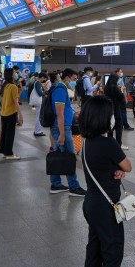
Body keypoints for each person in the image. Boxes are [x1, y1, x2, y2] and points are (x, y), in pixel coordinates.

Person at [80, 96, 132, 267]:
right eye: (111, 114)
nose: (113, 117)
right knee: (113, 251)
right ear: (103, 118)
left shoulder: (86, 143)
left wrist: (117, 170)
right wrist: (121, 169)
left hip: (91, 203)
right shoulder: (109, 143)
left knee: (94, 249)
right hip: (106, 207)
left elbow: (102, 166)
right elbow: (128, 166)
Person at [49, 68, 86, 196]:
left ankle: (55, 184)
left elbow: (63, 110)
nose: (75, 82)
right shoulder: (60, 89)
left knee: (58, 156)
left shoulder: (62, 88)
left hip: (62, 127)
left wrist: (72, 113)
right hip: (62, 128)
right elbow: (59, 113)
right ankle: (74, 187)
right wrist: (62, 134)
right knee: (70, 157)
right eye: (74, 79)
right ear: (67, 78)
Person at [0, 68, 23, 160]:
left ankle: (5, 152)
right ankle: (9, 154)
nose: (15, 73)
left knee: (5, 133)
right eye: (14, 72)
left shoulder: (5, 85)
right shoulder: (13, 86)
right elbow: (16, 102)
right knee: (10, 134)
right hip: (11, 113)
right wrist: (20, 115)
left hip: (4, 113)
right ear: (11, 75)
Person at [104, 74, 129, 150]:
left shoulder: (106, 87)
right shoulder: (115, 88)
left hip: (108, 109)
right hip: (116, 109)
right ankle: (119, 144)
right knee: (119, 126)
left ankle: (109, 143)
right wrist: (122, 91)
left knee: (110, 125)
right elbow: (122, 100)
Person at [30, 73, 47, 137]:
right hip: (38, 102)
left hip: (38, 101)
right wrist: (45, 92)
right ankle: (37, 131)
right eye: (44, 78)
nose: (44, 79)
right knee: (39, 116)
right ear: (42, 77)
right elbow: (40, 93)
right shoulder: (38, 83)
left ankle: (37, 130)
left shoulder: (37, 82)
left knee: (38, 116)